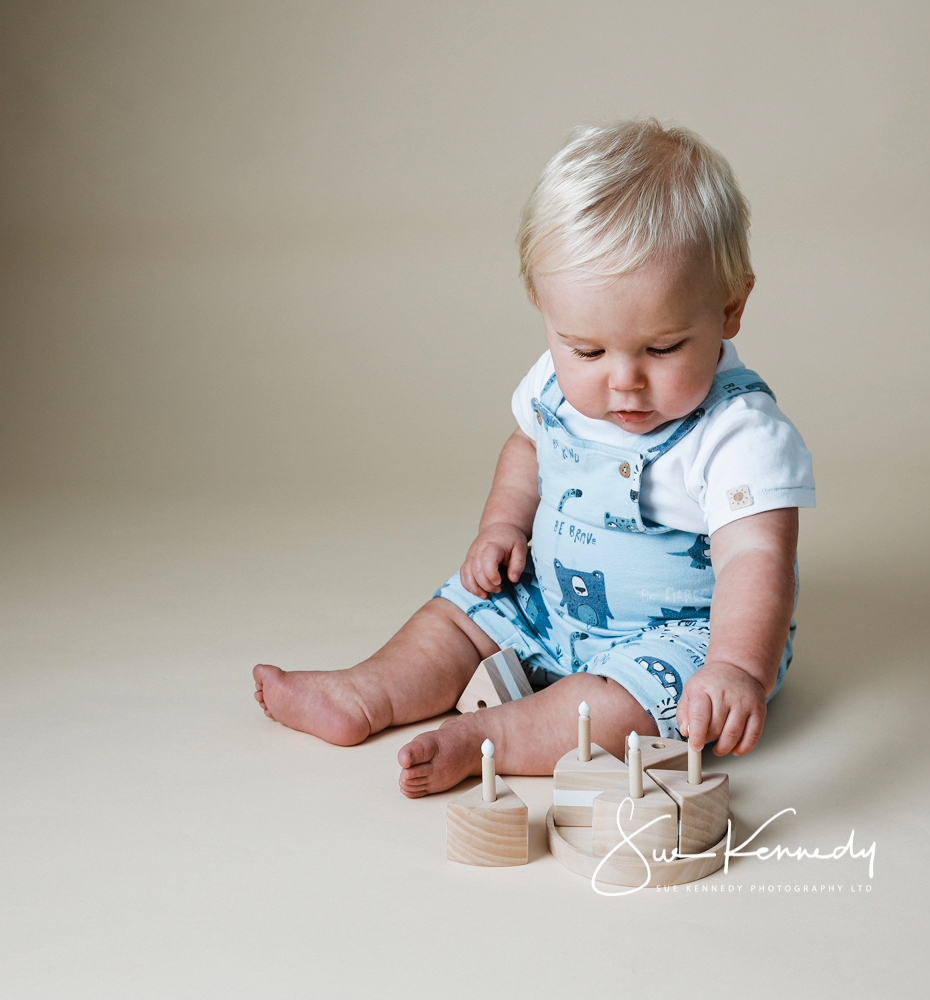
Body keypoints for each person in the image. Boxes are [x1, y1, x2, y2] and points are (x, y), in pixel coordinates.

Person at [253, 119, 815, 798]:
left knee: (628, 708)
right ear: (542, 309)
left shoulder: (736, 432)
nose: (623, 380)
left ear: (730, 308)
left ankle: (493, 738)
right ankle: (367, 692)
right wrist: (502, 527)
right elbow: (528, 448)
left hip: (675, 639)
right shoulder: (553, 384)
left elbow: (758, 558)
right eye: (587, 349)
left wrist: (734, 666)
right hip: (549, 601)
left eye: (662, 349)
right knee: (461, 613)